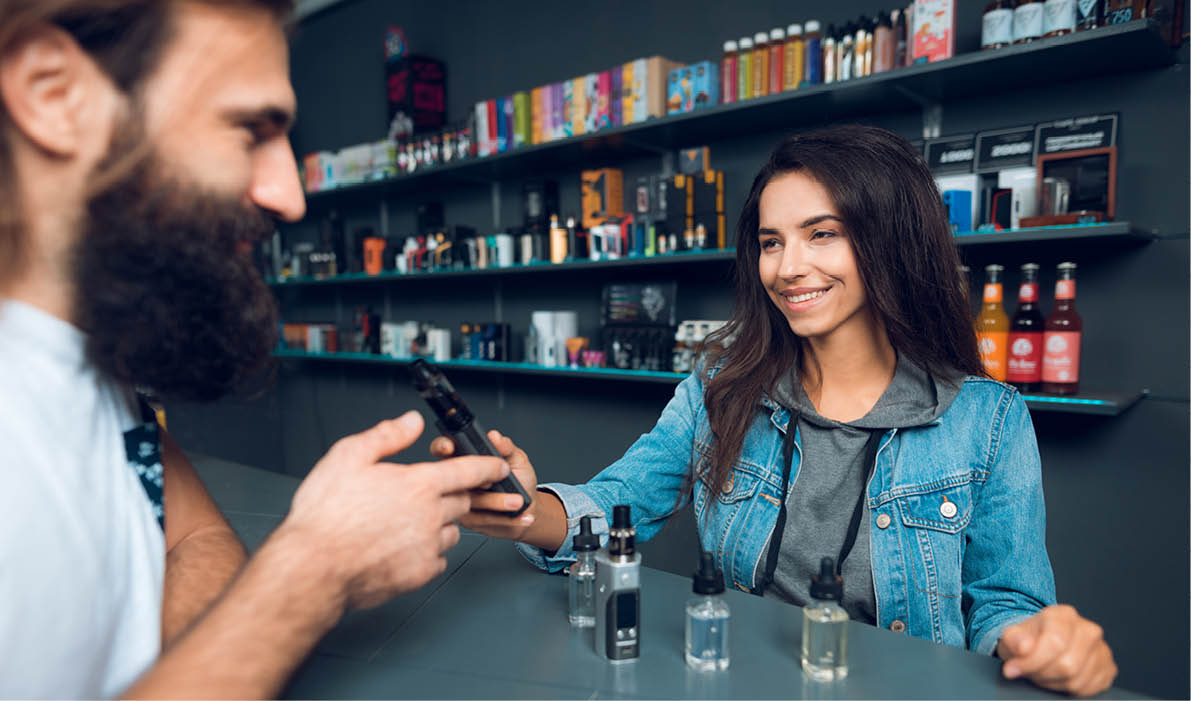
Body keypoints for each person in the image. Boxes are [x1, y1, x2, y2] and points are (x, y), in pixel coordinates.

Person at [438, 126, 1119, 697]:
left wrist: (1038, 638)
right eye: (770, 241)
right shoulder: (718, 387)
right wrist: (523, 509)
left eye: (821, 233)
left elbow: (1004, 605)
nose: (788, 266)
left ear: (890, 239)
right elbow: (618, 501)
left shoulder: (987, 420)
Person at [0, 1, 510, 697]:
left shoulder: (94, 368)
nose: (290, 195)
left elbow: (198, 540)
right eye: (248, 129)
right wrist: (315, 569)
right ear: (53, 94)